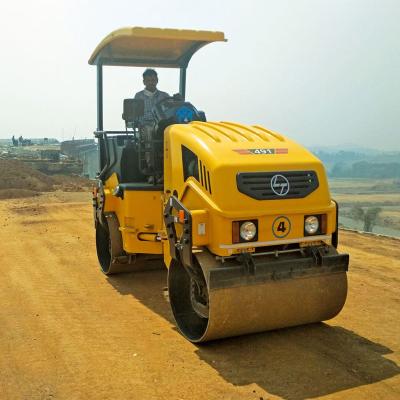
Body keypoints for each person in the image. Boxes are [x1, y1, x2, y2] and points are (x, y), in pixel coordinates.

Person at [134, 69, 169, 182]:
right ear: (144, 82)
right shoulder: (138, 97)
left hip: (161, 125)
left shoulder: (164, 96)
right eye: (148, 80)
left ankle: (169, 170)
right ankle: (153, 171)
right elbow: (135, 116)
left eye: (153, 80)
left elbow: (169, 112)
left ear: (157, 81)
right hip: (145, 126)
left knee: (172, 134)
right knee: (150, 133)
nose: (151, 82)